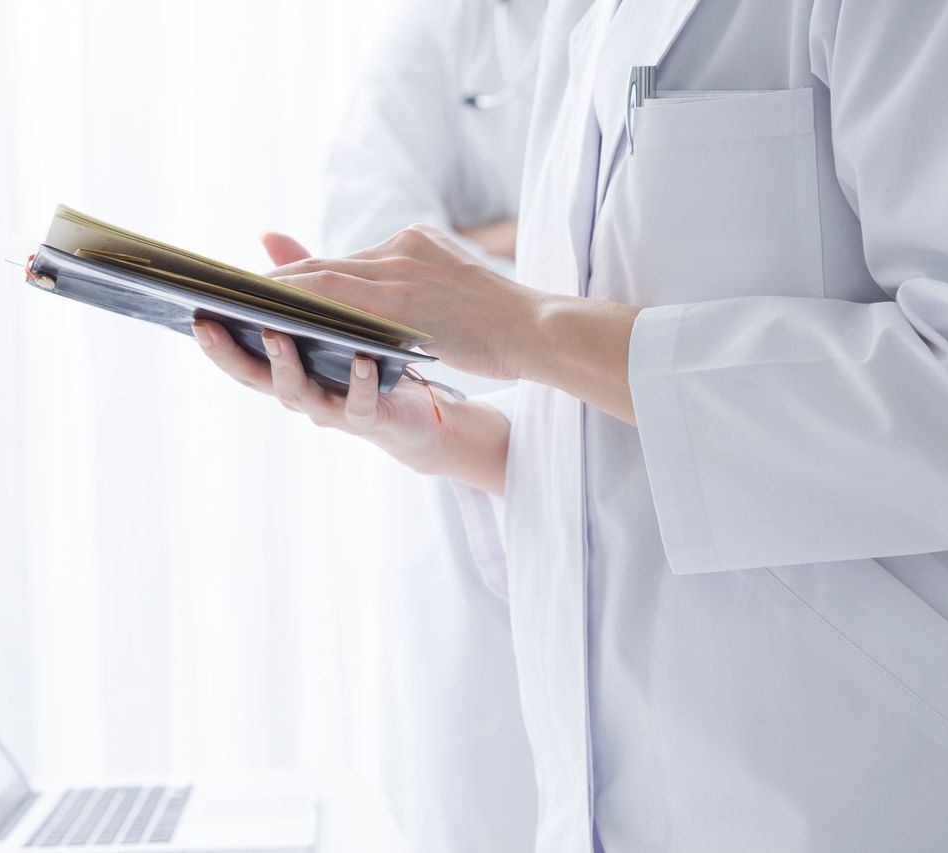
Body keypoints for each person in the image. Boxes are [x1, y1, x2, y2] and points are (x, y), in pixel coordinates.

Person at [192, 0, 948, 850]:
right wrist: (462, 437)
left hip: (856, 791)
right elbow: (648, 427)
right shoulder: (593, 22)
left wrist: (528, 326)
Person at [295, 1, 557, 850]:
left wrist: (493, 260)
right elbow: (375, 270)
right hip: (466, 500)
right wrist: (558, 295)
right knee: (487, 805)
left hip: (655, 476)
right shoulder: (440, 35)